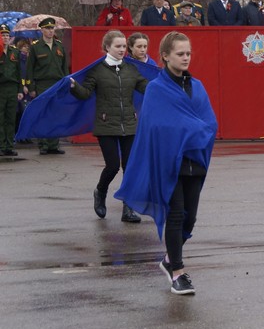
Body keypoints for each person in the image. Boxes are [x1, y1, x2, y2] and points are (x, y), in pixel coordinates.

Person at [117, 31, 218, 294]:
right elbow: (156, 126)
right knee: (175, 215)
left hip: (195, 160)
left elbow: (209, 122)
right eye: (180, 54)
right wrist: (191, 128)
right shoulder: (156, 89)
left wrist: (193, 129)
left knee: (190, 219)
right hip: (168, 161)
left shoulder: (198, 86)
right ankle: (178, 273)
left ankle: (168, 259)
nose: (186, 58)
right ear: (165, 56)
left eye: (188, 54)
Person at [69, 30, 149, 222]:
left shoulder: (131, 69)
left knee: (129, 168)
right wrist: (73, 87)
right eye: (118, 46)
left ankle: (128, 209)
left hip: (129, 123)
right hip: (106, 124)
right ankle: (100, 192)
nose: (122, 50)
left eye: (124, 46)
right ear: (107, 47)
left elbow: (146, 87)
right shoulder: (97, 70)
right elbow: (86, 93)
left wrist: (165, 84)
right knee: (112, 166)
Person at [26, 17, 70, 154]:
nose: (50, 31)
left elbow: (65, 68)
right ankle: (43, 145)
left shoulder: (59, 46)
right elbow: (29, 69)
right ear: (42, 30)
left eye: (52, 28)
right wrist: (31, 87)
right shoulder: (35, 47)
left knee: (56, 115)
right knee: (43, 115)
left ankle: (54, 145)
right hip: (42, 84)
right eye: (47, 28)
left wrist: (66, 84)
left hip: (57, 84)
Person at [0, 24, 21, 156]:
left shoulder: (15, 52)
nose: (5, 38)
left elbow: (19, 73)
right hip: (1, 88)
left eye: (7, 35)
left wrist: (19, 90)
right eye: (3, 35)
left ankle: (9, 145)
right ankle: (1, 145)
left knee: (10, 118)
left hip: (12, 88)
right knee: (0, 118)